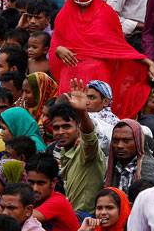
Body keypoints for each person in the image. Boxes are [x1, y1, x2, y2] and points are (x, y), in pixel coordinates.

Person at [49, 0, 154, 118]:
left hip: (98, 74)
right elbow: (55, 44)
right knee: (69, 117)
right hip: (71, 76)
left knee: (98, 117)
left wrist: (146, 62)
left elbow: (117, 47)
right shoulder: (63, 16)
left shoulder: (107, 13)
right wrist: (58, 49)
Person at [47, 82, 106, 214]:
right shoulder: (60, 151)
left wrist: (82, 112)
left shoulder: (86, 151)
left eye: (66, 126)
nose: (60, 132)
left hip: (86, 220)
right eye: (56, 128)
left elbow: (89, 137)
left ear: (78, 126)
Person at [104, 119, 154, 193]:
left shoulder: (147, 167)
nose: (119, 145)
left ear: (138, 141)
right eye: (115, 141)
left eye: (126, 141)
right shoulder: (114, 166)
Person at [24, 153, 79, 230]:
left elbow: (23, 217)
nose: (35, 188)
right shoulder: (32, 200)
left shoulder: (58, 201)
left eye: (41, 183)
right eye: (31, 182)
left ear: (53, 182)